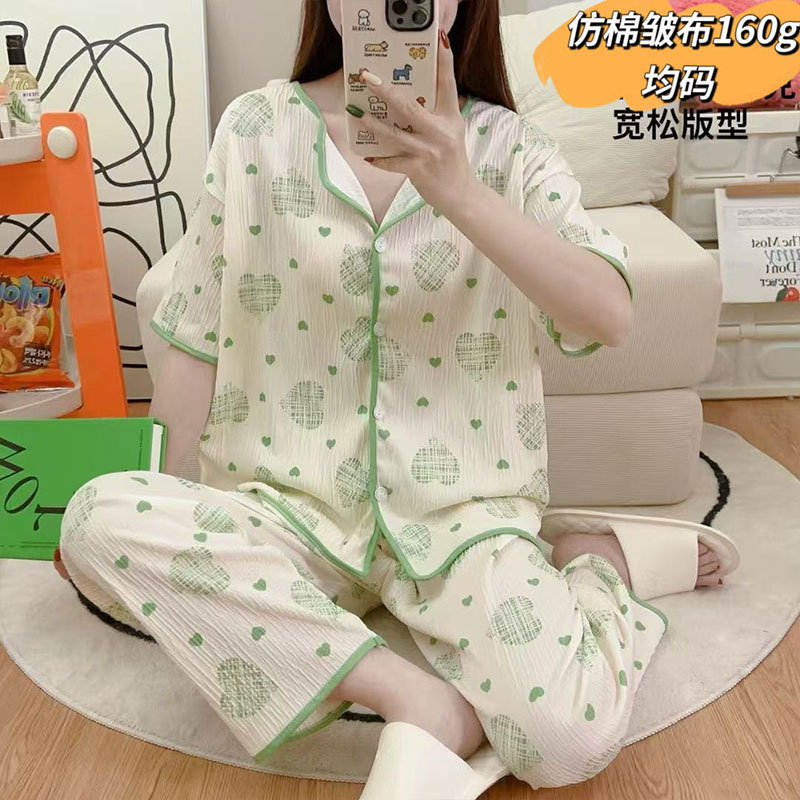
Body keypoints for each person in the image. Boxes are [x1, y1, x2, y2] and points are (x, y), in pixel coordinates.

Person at [56, 0, 726, 789]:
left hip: (460, 518)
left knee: (566, 741)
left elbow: (606, 317)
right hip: (288, 508)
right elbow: (196, 335)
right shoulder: (254, 130)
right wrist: (161, 513)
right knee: (95, 516)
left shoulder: (511, 148)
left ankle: (595, 564)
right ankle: (412, 698)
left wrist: (458, 189)